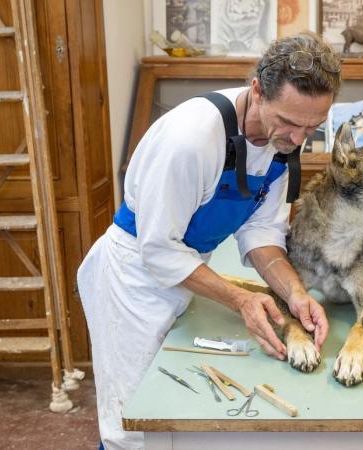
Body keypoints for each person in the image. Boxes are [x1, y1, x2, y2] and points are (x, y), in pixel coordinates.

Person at [77, 32, 341, 450]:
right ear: (257, 90)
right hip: (131, 281)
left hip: (186, 272)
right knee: (133, 426)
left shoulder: (283, 146)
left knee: (175, 415)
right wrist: (240, 298)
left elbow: (262, 234)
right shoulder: (191, 140)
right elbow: (158, 249)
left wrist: (294, 293)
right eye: (289, 122)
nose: (298, 139)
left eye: (313, 127)